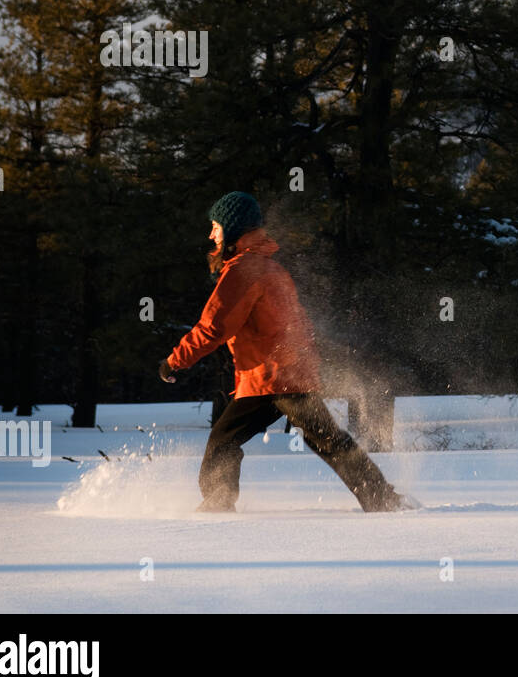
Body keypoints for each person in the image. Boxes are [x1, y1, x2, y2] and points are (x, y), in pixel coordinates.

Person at [159, 191, 408, 512]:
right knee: (329, 440)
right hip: (286, 374)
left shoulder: (242, 271)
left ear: (233, 230)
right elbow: (300, 325)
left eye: (216, 226)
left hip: (270, 378)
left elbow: (215, 327)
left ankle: (218, 505)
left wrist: (173, 361)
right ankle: (382, 499)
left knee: (223, 443)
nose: (211, 234)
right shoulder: (270, 269)